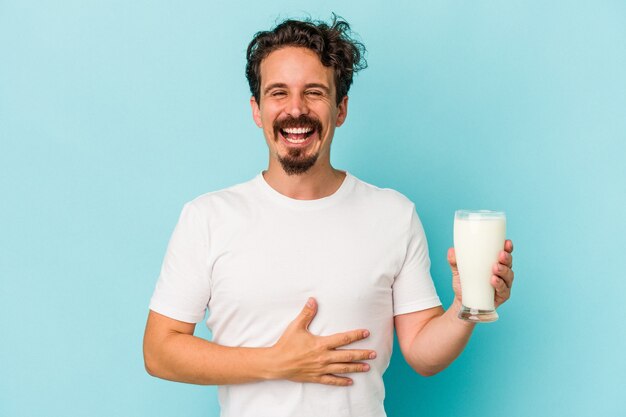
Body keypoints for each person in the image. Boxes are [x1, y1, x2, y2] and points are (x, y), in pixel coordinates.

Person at [143, 16, 515, 417]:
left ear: (340, 109)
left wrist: (464, 306)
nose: (296, 109)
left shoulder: (393, 214)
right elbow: (160, 350)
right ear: (257, 109)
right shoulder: (208, 218)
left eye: (314, 92)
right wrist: (275, 362)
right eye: (278, 93)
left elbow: (423, 355)